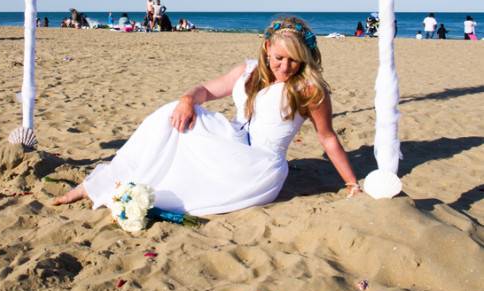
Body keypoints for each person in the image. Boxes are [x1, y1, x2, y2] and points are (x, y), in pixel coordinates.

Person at [53, 16, 361, 214]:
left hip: (260, 167)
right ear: (267, 48)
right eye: (279, 57)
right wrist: (187, 99)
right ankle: (105, 184)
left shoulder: (308, 88)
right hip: (234, 141)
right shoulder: (248, 71)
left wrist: (350, 183)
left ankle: (114, 188)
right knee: (169, 116)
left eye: (294, 61)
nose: (285, 67)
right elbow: (205, 91)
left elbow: (327, 137)